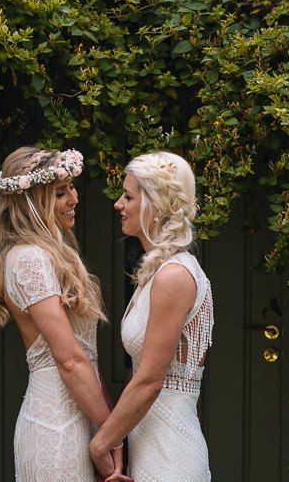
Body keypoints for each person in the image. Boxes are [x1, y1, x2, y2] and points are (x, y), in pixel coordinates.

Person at [0, 146, 131, 482]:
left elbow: (86, 358)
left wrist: (106, 429)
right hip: (55, 424)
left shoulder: (51, 255)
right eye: (61, 193)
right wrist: (110, 437)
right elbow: (70, 360)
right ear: (32, 203)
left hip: (81, 417)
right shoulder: (29, 258)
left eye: (71, 188)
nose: (74, 198)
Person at [89, 151, 214, 481]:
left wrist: (101, 445)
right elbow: (138, 374)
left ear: (156, 207)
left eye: (128, 196)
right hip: (150, 448)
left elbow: (150, 381)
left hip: (171, 455)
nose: (118, 204)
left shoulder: (174, 275)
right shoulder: (158, 271)